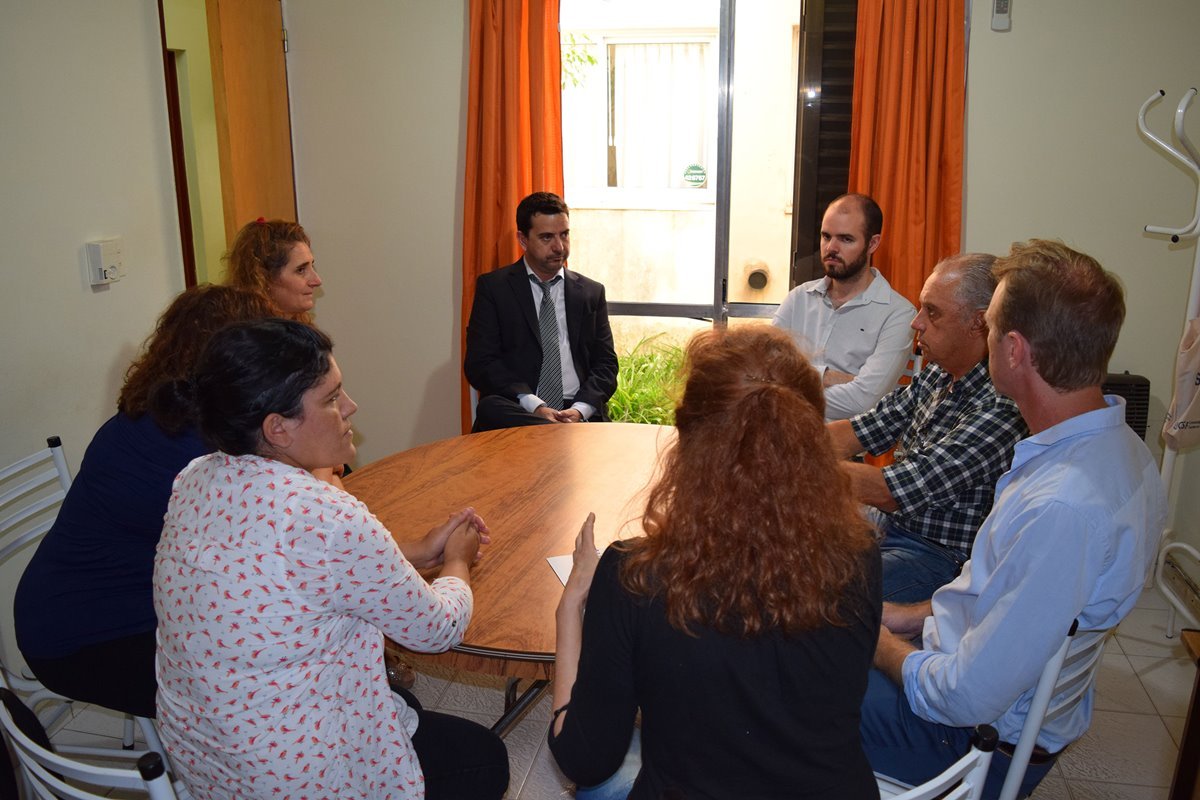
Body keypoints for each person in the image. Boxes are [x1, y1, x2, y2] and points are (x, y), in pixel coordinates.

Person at [861, 239, 1168, 799]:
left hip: (963, 741)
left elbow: (961, 698)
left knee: (779, 683)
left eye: (992, 327)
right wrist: (910, 618)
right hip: (977, 696)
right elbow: (1015, 600)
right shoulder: (1121, 452)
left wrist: (875, 642)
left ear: (1014, 349)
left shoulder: (1062, 506)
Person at [154, 319, 508, 800]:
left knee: (402, 699)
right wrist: (457, 563)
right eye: (332, 398)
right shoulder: (324, 517)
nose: (350, 407)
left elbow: (295, 575)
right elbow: (436, 630)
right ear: (278, 429)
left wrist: (417, 551)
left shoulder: (195, 478)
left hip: (207, 758)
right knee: (485, 757)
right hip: (294, 780)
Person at [549, 326, 882, 799]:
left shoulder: (634, 576)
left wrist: (571, 607)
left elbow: (584, 758)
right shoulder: (858, 556)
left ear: (687, 442)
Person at [14, 285, 275, 718]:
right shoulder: (191, 452)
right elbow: (264, 556)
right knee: (265, 689)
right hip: (86, 639)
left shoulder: (155, 415)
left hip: (86, 606)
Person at [828, 253, 1027, 602]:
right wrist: (780, 443)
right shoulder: (937, 375)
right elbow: (862, 430)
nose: (916, 323)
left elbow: (893, 490)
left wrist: (794, 464)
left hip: (937, 557)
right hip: (892, 528)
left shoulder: (1001, 408)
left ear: (979, 323)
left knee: (818, 593)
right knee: (785, 550)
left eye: (932, 313)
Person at [465, 191, 619, 431]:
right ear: (523, 239)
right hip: (522, 408)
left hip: (574, 408)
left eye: (564, 235)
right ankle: (557, 431)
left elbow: (606, 365)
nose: (559, 247)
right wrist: (535, 406)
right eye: (547, 237)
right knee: (491, 407)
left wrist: (580, 410)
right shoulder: (495, 288)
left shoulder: (590, 292)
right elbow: (480, 363)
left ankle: (560, 429)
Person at [772, 193, 916, 420]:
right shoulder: (799, 298)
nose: (831, 247)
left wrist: (788, 388)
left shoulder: (899, 314)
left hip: (844, 438)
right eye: (826, 236)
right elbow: (762, 367)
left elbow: (863, 401)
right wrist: (829, 376)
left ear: (872, 244)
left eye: (846, 239)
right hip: (782, 428)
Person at [225, 217, 322, 322]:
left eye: (312, 266)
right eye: (301, 270)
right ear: (263, 278)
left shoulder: (300, 328)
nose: (317, 281)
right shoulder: (245, 332)